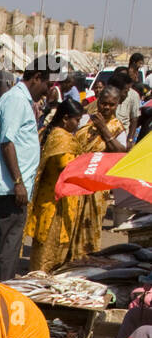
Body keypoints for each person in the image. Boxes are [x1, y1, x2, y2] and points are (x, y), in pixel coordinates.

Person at [0, 63, 54, 282]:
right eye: (47, 84)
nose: (47, 90)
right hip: (10, 189)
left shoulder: (21, 100)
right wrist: (18, 182)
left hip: (11, 189)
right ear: (37, 78)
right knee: (8, 249)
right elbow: (7, 142)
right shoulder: (15, 100)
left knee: (0, 245)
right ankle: (4, 295)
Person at [25, 97, 84, 272]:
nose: (78, 125)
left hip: (52, 199)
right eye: (77, 120)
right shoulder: (61, 138)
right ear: (65, 119)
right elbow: (66, 166)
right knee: (50, 248)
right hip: (54, 203)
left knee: (45, 247)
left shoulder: (50, 132)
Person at [68, 86, 125, 261]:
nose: (107, 108)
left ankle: (87, 261)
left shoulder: (117, 128)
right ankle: (69, 260)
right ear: (98, 101)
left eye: (111, 105)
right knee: (71, 222)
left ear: (117, 105)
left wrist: (103, 130)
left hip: (97, 186)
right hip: (76, 179)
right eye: (104, 103)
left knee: (91, 225)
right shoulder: (85, 120)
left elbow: (120, 153)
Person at [113, 66, 140, 147]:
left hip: (123, 137)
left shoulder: (133, 95)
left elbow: (134, 119)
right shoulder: (109, 95)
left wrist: (130, 139)